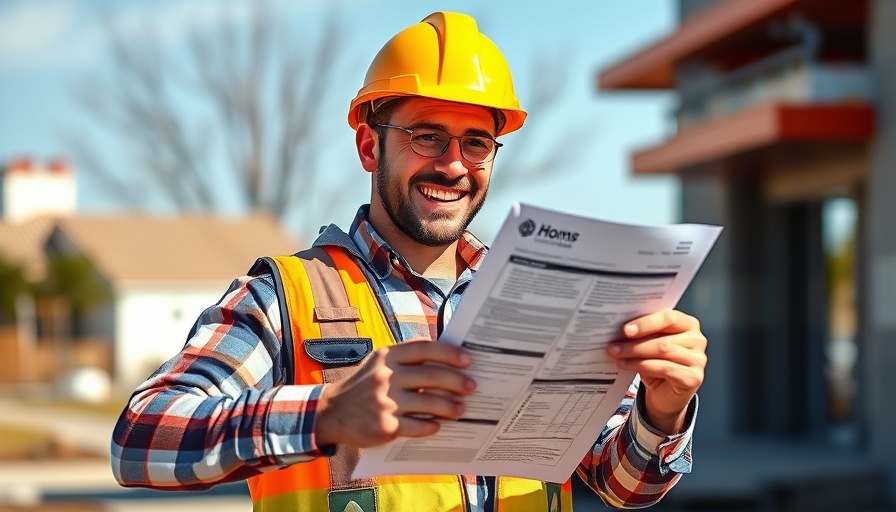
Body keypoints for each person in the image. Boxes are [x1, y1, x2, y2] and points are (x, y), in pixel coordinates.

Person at [111, 11, 707, 512]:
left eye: (476, 141)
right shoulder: (282, 298)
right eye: (428, 135)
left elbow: (625, 484)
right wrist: (324, 414)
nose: (453, 163)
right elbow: (138, 443)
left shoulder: (542, 293)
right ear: (371, 146)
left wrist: (663, 408)